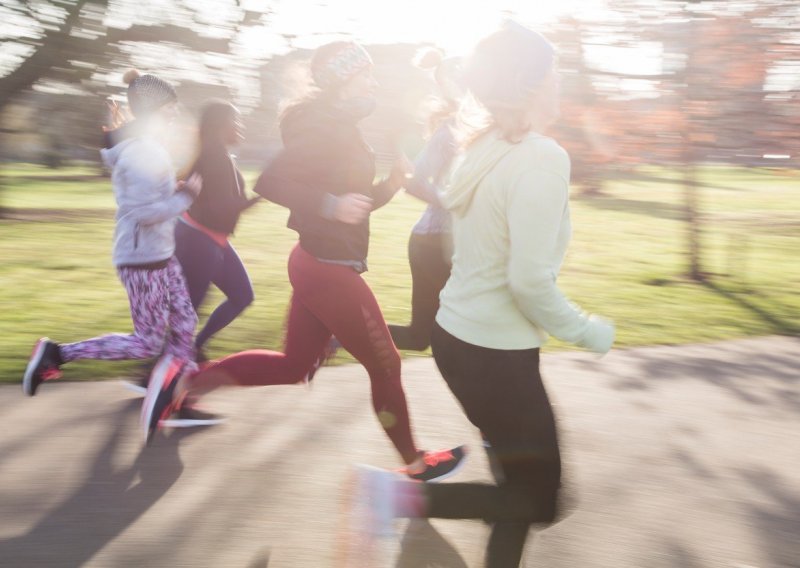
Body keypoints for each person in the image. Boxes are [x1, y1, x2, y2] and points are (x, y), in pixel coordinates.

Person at [355, 23, 616, 568]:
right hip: (496, 356)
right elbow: (528, 281)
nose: (561, 77)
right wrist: (586, 330)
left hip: (460, 341)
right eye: (553, 68)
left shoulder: (481, 147)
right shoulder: (540, 156)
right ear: (532, 82)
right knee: (537, 497)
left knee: (514, 489)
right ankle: (395, 496)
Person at [142, 41, 467, 480]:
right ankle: (414, 463)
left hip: (320, 261)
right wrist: (329, 204)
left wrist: (388, 186)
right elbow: (272, 180)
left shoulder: (343, 125)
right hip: (327, 267)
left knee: (295, 366)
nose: (373, 81)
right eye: (365, 73)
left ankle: (183, 385)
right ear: (343, 77)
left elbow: (356, 204)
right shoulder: (323, 125)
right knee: (386, 365)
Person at [23, 70, 203, 418]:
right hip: (142, 258)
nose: (174, 116)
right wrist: (187, 198)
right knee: (148, 340)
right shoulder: (142, 153)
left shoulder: (146, 148)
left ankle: (171, 391)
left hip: (160, 255)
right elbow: (144, 212)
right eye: (169, 110)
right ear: (153, 112)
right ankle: (57, 354)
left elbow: (151, 201)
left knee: (184, 320)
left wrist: (175, 193)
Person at [174, 100, 259, 362]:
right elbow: (222, 208)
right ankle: (155, 374)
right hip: (199, 242)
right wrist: (256, 199)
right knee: (189, 312)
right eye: (237, 120)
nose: (241, 125)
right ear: (222, 126)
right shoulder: (215, 158)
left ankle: (194, 348)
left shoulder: (217, 155)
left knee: (241, 295)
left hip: (212, 241)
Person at [387, 50, 461, 351]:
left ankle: (337, 335)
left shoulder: (495, 131)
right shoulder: (450, 131)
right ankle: (340, 333)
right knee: (441, 336)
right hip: (433, 242)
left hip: (460, 243)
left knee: (423, 338)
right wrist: (452, 201)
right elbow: (413, 181)